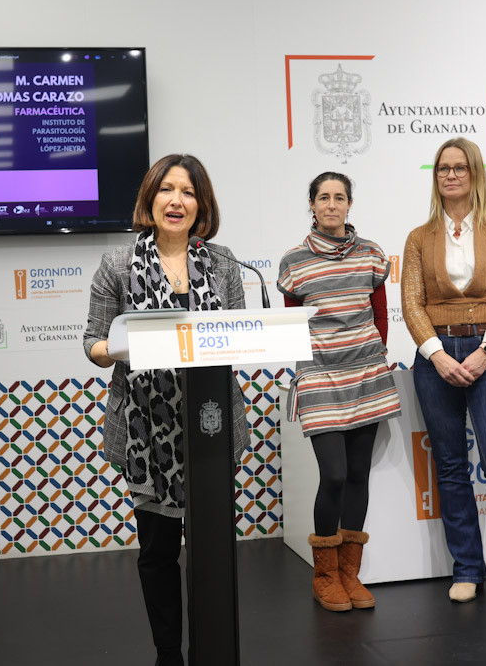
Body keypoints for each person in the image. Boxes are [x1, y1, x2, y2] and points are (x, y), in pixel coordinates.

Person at [82, 154, 248, 666]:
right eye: (167, 190)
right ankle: (168, 652)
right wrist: (127, 346)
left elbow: (237, 335)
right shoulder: (117, 263)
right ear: (150, 199)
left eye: (189, 192)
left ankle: (214, 644)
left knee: (211, 549)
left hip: (210, 423)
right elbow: (93, 342)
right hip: (145, 429)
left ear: (203, 205)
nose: (177, 201)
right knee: (157, 552)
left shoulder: (223, 263)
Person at [400, 137, 486, 610]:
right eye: (442, 169)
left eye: (459, 167)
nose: (450, 175)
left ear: (475, 172)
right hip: (435, 357)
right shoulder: (418, 237)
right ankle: (468, 569)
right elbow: (411, 304)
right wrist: (435, 354)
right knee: (451, 467)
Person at [276, 171, 400, 612]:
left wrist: (369, 357)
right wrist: (315, 364)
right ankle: (325, 575)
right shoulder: (294, 261)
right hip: (318, 376)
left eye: (339, 197)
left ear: (350, 205)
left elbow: (381, 315)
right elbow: (291, 327)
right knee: (332, 474)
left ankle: (350, 573)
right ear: (311, 205)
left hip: (365, 374)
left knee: (357, 476)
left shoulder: (372, 254)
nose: (331, 204)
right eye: (323, 197)